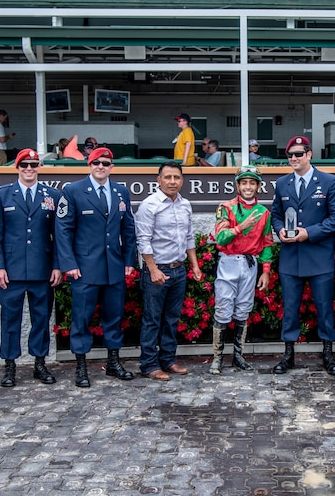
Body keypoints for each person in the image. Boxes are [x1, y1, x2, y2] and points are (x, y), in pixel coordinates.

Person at [55, 147, 137, 387]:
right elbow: (63, 230)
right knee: (81, 317)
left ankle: (113, 362)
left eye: (105, 162)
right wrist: (68, 263)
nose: (100, 166)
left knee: (113, 316)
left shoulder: (121, 191)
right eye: (96, 162)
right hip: (84, 268)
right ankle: (81, 367)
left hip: (114, 266)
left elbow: (128, 229)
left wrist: (130, 260)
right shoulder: (73, 190)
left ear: (112, 166)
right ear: (89, 165)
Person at [270, 136, 335, 375]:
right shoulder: (282, 183)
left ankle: (328, 354)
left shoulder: (329, 182)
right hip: (291, 258)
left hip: (318, 255)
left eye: (299, 154)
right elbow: (276, 214)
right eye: (290, 155)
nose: (294, 158)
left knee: (324, 308)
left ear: (309, 154)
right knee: (290, 308)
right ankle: (288, 355)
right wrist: (279, 228)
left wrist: (308, 233)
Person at [0, 149, 62, 387]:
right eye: (24, 165)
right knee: (11, 319)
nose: (29, 169)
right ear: (16, 167)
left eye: (33, 164)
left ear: (39, 166)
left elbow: (59, 235)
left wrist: (58, 266)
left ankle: (39, 363)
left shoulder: (52, 195)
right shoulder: (2, 194)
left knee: (41, 318)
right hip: (11, 271)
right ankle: (10, 366)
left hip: (42, 269)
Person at [135, 161, 203, 380]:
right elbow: (143, 240)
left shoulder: (185, 205)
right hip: (158, 271)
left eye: (177, 177)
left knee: (172, 319)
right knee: (152, 319)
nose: (172, 181)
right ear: (159, 180)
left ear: (182, 180)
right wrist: (152, 269)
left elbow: (189, 237)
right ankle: (149, 365)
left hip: (178, 270)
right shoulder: (149, 205)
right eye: (168, 177)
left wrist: (194, 264)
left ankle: (168, 360)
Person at [209, 165, 274, 375]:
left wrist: (265, 270)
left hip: (250, 263)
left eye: (252, 182)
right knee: (223, 308)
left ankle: (238, 356)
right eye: (244, 182)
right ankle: (217, 358)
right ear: (237, 185)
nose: (248, 186)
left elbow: (266, 242)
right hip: (228, 261)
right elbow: (220, 237)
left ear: (258, 186)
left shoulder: (264, 212)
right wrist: (241, 226)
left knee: (243, 309)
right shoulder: (226, 207)